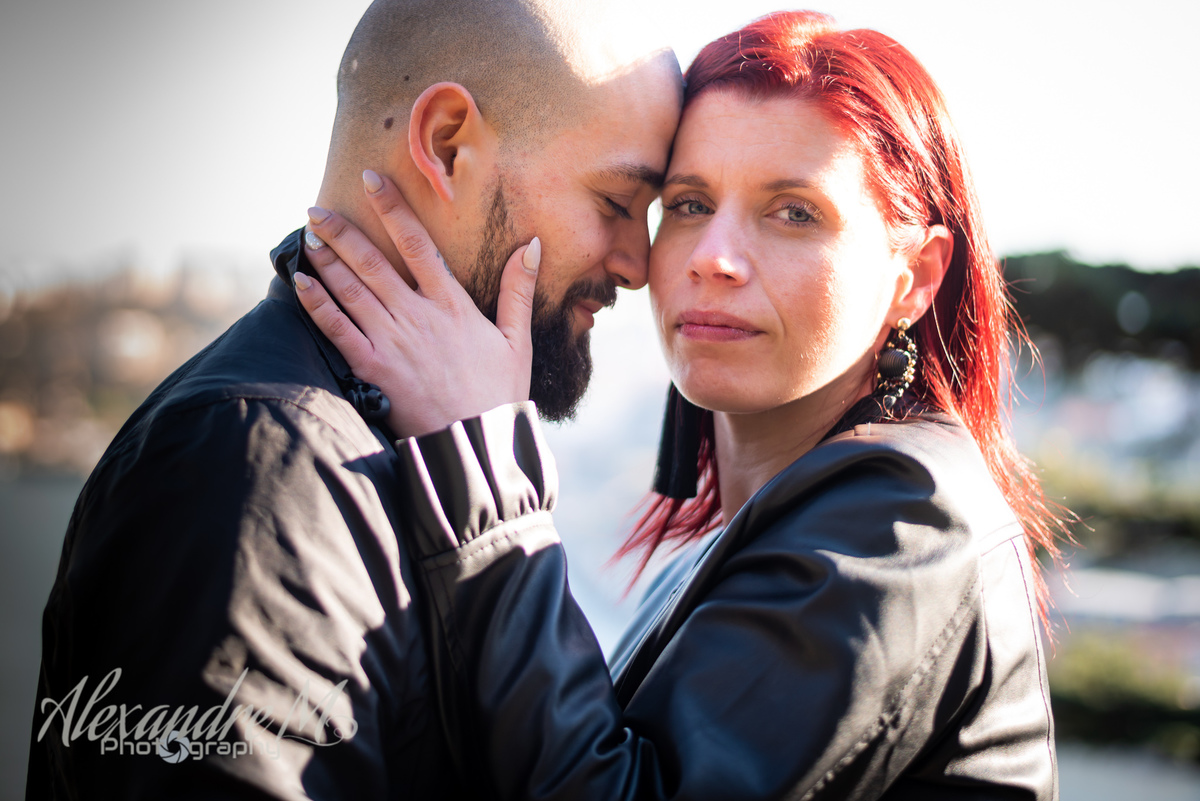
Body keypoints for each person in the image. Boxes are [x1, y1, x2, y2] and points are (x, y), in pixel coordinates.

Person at [298, 10, 1065, 800]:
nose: (713, 258)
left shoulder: (906, 519)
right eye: (690, 204)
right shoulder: (790, 514)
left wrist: (481, 458)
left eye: (794, 211)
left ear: (916, 277)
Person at [26, 0, 680, 797]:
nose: (639, 264)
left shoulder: (397, 447)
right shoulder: (255, 469)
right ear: (446, 144)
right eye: (616, 202)